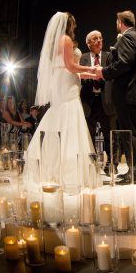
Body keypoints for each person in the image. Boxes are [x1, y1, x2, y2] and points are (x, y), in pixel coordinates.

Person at [24, 12, 99, 192]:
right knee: (68, 117)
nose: (75, 27)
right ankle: (67, 172)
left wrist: (94, 73)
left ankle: (58, 167)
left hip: (66, 80)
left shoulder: (60, 40)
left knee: (63, 117)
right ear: (68, 24)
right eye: (73, 24)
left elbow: (73, 70)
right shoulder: (65, 39)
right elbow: (70, 66)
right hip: (66, 84)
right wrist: (91, 68)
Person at [95, 10, 136, 184]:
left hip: (128, 93)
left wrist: (104, 72)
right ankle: (134, 171)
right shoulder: (134, 36)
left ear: (121, 22)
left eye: (117, 21)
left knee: (130, 133)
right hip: (131, 93)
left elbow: (124, 63)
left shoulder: (128, 37)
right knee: (130, 133)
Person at [80, 30, 116, 154]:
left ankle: (112, 165)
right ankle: (92, 165)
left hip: (106, 101)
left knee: (109, 135)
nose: (99, 41)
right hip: (88, 101)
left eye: (100, 38)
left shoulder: (109, 56)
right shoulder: (82, 58)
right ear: (88, 43)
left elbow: (113, 75)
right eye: (95, 39)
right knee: (89, 135)